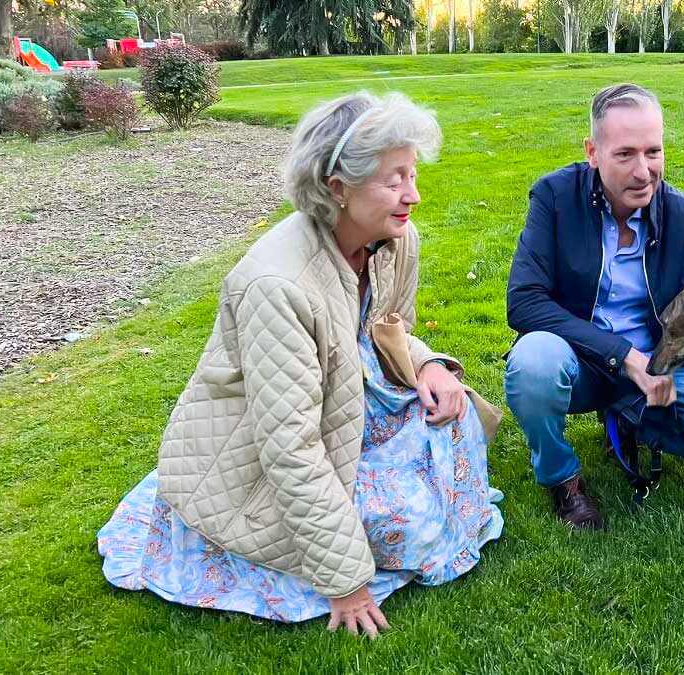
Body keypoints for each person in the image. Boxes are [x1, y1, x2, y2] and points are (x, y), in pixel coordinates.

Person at [97, 91, 503, 637]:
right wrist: (346, 580)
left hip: (344, 401)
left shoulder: (395, 238)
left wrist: (430, 366)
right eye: (395, 180)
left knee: (453, 420)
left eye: (412, 174)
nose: (415, 195)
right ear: (337, 187)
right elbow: (288, 446)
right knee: (414, 521)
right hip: (269, 450)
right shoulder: (276, 285)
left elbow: (390, 330)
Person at [503, 83, 684, 531]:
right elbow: (524, 301)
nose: (643, 171)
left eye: (653, 152)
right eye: (625, 154)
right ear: (593, 152)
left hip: (657, 363)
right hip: (581, 362)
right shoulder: (554, 198)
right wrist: (625, 357)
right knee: (533, 362)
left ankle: (634, 423)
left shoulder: (683, 215)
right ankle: (562, 479)